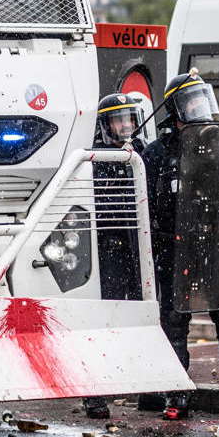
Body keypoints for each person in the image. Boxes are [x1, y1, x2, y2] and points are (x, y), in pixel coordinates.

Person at [141, 71, 219, 421]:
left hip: (213, 245)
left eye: (203, 101)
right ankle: (177, 395)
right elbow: (147, 204)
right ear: (178, 109)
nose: (201, 109)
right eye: (193, 103)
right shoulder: (158, 152)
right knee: (175, 320)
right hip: (175, 247)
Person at [82, 93, 146, 419]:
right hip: (108, 244)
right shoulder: (95, 157)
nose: (126, 126)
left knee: (142, 313)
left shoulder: (143, 153)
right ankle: (96, 394)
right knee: (104, 316)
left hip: (140, 245)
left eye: (129, 119)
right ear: (106, 124)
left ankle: (149, 387)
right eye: (118, 120)